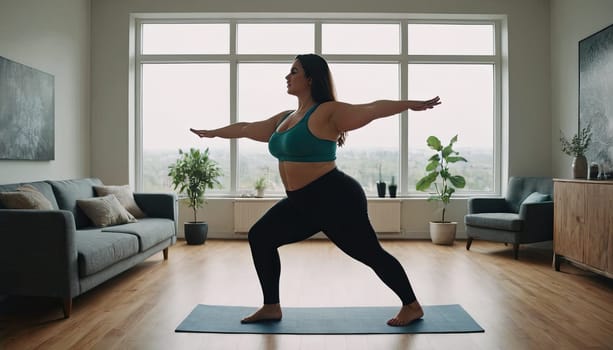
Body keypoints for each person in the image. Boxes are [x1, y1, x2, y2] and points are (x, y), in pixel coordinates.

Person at [190, 53, 441, 326]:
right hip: (301, 202)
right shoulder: (286, 118)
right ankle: (271, 306)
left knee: (369, 253)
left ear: (310, 78)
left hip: (334, 197)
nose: (287, 76)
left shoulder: (327, 112)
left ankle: (412, 305)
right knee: (260, 237)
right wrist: (214, 132)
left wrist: (409, 105)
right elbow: (247, 128)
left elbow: (372, 108)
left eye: (294, 71)